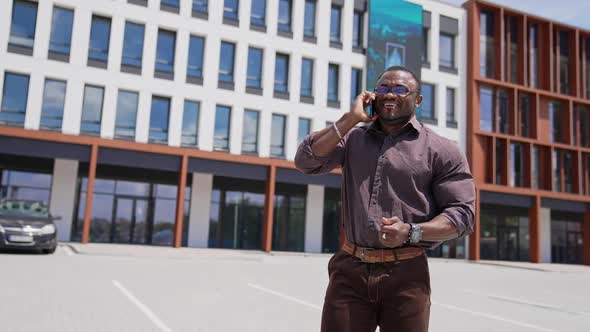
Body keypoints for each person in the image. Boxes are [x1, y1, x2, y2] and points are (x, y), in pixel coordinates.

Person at [294, 66, 475, 332]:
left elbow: (462, 216)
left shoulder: (442, 150)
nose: (390, 94)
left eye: (400, 89)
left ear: (418, 100)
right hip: (350, 270)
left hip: (407, 274)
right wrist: (350, 119)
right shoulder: (352, 139)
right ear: (372, 96)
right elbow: (306, 161)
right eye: (383, 88)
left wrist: (411, 232)